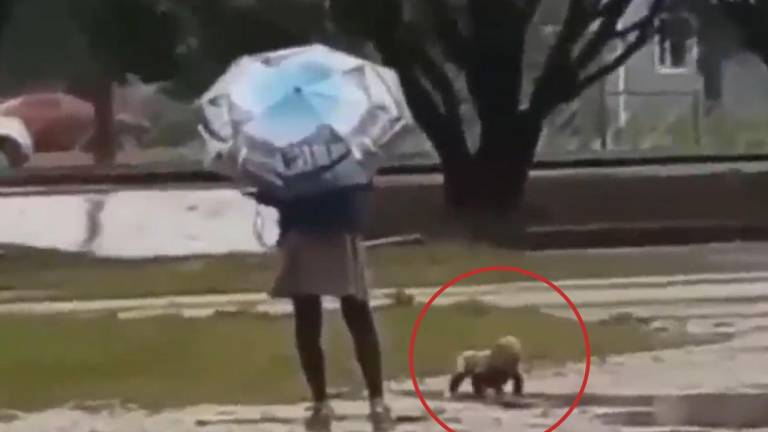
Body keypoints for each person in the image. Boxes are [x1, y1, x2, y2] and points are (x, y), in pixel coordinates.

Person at [249, 182, 393, 432]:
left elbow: (277, 191)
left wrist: (265, 194)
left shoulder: (288, 154)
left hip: (302, 230)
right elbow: (362, 183)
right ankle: (376, 400)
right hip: (340, 229)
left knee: (308, 320)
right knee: (357, 315)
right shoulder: (343, 151)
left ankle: (321, 401)